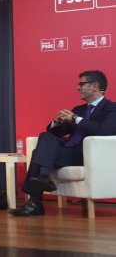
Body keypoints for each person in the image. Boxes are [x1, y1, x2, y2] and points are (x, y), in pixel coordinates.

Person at [10, 70, 116, 216]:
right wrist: (56, 121)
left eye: (81, 84)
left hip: (88, 155)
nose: (78, 88)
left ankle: (35, 202)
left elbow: (103, 131)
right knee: (45, 137)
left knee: (37, 154)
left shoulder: (111, 109)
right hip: (68, 151)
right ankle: (43, 178)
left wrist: (77, 120)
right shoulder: (78, 109)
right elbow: (54, 133)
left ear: (94, 86)